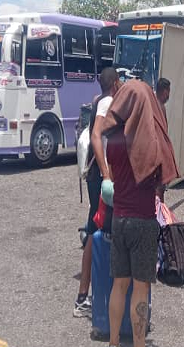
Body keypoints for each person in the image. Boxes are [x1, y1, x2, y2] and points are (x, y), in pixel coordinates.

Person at [101, 80, 179, 347]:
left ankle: (113, 342)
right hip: (143, 221)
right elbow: (160, 175)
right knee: (141, 287)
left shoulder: (112, 141)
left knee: (119, 285)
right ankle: (138, 343)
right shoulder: (147, 140)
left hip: (119, 218)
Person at [74, 67, 121, 318]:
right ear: (114, 82)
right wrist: (106, 174)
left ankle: (94, 292)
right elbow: (95, 136)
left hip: (97, 177)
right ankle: (83, 296)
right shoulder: (107, 103)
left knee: (97, 228)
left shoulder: (99, 101)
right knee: (97, 230)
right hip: (101, 179)